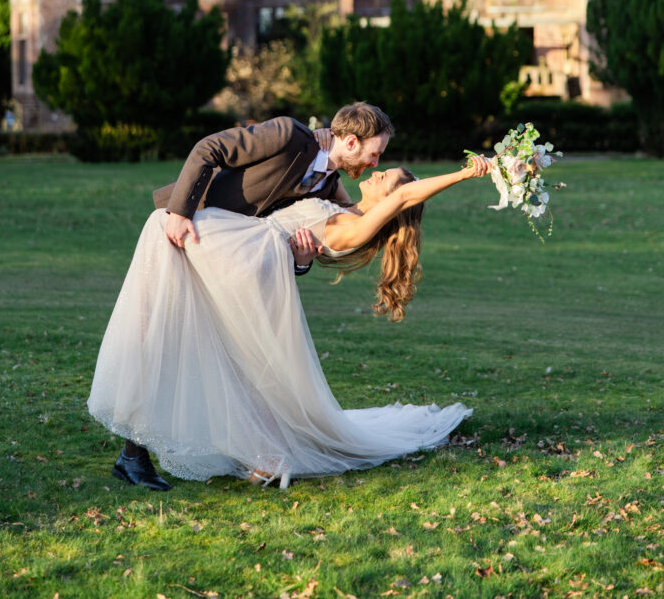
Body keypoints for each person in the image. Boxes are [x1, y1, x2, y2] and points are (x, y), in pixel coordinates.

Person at [88, 149, 491, 490]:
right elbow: (324, 173)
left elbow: (406, 200)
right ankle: (142, 450)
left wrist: (467, 172)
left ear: (394, 198)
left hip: (245, 257)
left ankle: (226, 451)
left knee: (167, 246)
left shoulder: (358, 226)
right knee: (180, 324)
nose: (378, 171)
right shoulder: (347, 207)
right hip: (245, 253)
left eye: (387, 177)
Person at [102, 103, 393, 489]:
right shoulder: (289, 135)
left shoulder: (324, 185)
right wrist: (179, 212)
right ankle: (132, 457)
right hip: (183, 235)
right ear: (352, 142)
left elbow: (274, 236)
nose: (374, 163)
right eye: (375, 153)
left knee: (225, 353)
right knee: (161, 340)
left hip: (225, 262)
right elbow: (209, 148)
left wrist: (302, 261)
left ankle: (249, 454)